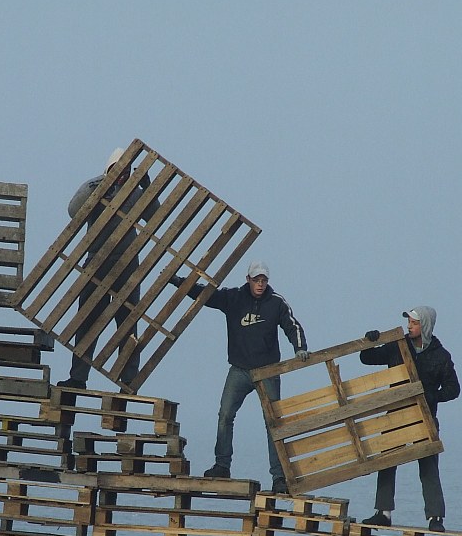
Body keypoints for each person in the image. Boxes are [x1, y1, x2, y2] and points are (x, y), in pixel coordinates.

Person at [169, 261, 309, 493]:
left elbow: (292, 325)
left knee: (273, 423)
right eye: (256, 280)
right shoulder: (233, 298)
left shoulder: (276, 302)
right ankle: (222, 465)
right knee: (225, 414)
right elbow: (205, 294)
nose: (261, 284)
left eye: (264, 280)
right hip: (239, 369)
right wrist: (179, 282)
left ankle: (279, 478)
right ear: (248, 280)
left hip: (268, 371)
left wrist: (300, 348)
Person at [57, 148, 160, 391]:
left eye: (125, 171)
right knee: (88, 319)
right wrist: (100, 182)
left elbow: (155, 217)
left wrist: (148, 189)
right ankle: (78, 378)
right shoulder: (96, 189)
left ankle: (127, 380)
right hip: (97, 261)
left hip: (127, 263)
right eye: (118, 170)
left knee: (127, 321)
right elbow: (74, 210)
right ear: (109, 169)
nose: (122, 175)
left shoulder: (134, 193)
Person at [360, 306, 460, 532]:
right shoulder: (397, 345)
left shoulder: (440, 355)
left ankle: (435, 518)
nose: (409, 326)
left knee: (428, 466)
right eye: (409, 322)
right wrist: (371, 340)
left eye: (414, 323)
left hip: (425, 416)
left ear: (424, 326)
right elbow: (366, 358)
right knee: (387, 462)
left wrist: (432, 396)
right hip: (396, 414)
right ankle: (383, 513)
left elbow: (454, 388)